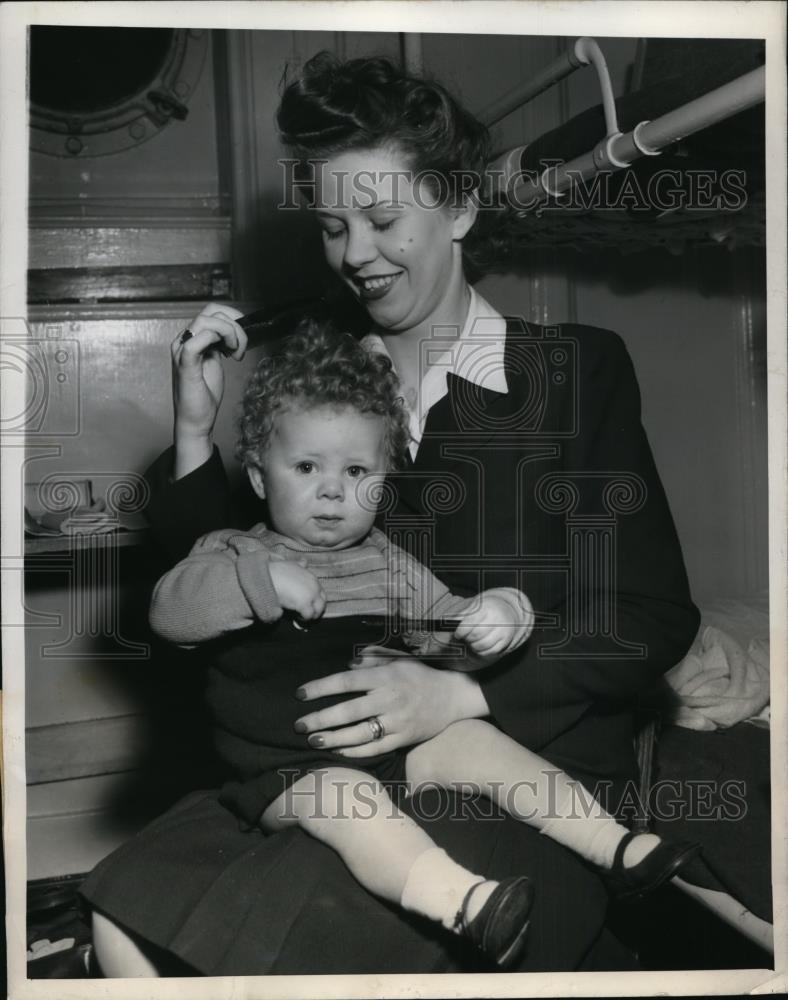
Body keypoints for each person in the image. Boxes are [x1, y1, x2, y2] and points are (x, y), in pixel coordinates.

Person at [81, 52, 701, 976]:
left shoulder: (574, 372)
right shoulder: (329, 380)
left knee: (289, 935)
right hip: (335, 766)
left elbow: (650, 617)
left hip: (530, 764)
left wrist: (461, 692)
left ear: (458, 208)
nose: (354, 255)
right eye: (333, 227)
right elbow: (212, 572)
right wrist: (193, 427)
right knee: (118, 916)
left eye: (380, 220)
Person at [146, 323, 700, 969]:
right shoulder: (232, 549)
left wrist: (499, 612)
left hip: (394, 746)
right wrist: (259, 581)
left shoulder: (388, 562)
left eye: (357, 471)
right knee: (351, 809)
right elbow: (171, 614)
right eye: (306, 467)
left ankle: (618, 849)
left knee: (481, 745)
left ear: (383, 482)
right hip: (287, 769)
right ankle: (462, 901)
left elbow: (449, 621)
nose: (333, 490)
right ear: (261, 478)